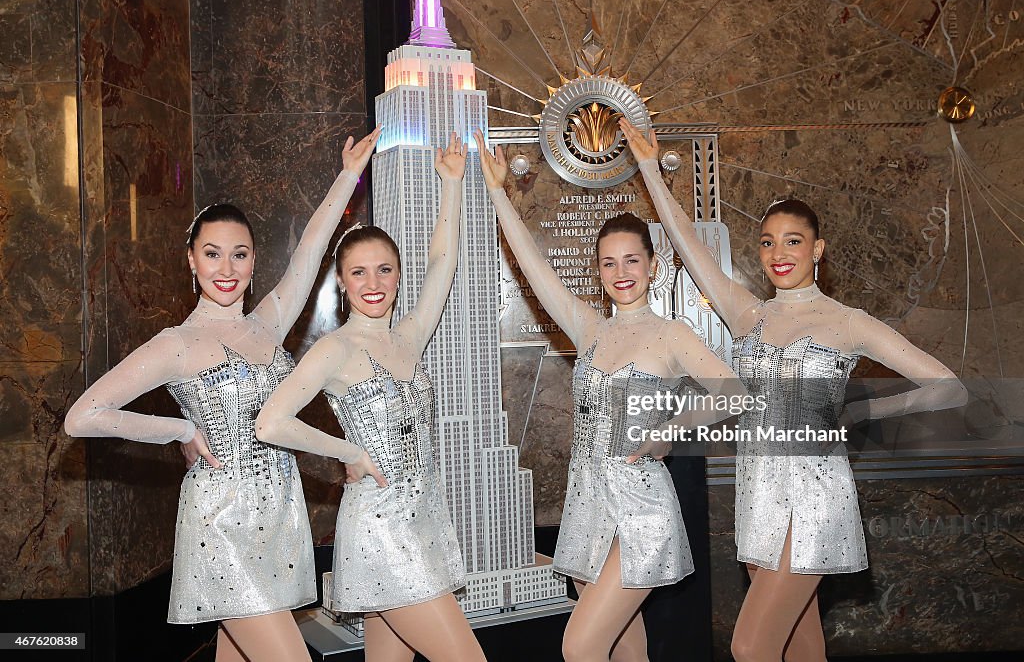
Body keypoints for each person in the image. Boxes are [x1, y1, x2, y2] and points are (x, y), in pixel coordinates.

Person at [620, 118, 969, 662]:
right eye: (767, 242)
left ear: (817, 248)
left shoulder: (848, 322)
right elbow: (689, 248)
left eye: (793, 241)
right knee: (802, 644)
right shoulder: (748, 314)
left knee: (750, 645)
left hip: (814, 495)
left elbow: (949, 389)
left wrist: (868, 408)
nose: (778, 253)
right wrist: (649, 168)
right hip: (757, 491)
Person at [64, 127, 383, 662]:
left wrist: (349, 174)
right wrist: (181, 430)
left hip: (280, 516)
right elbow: (82, 416)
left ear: (254, 261)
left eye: (240, 255)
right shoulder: (176, 344)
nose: (227, 269)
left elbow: (309, 249)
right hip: (222, 524)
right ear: (191, 261)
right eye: (212, 255)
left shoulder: (269, 324)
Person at [474, 130, 746, 662]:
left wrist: (668, 433)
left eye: (631, 261)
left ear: (653, 265)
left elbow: (732, 392)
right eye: (609, 263)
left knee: (580, 645)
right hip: (587, 501)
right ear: (598, 274)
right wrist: (499, 194)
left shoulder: (672, 334)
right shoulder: (588, 329)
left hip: (643, 506)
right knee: (624, 651)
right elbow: (532, 265)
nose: (621, 273)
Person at [255, 133, 485, 662]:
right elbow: (270, 423)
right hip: (380, 527)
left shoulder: (408, 335)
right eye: (359, 272)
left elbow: (444, 264)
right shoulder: (334, 349)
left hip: (423, 515)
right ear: (341, 282)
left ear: (399, 276)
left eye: (384, 269)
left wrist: (452, 184)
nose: (373, 281)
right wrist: (349, 453)